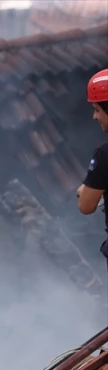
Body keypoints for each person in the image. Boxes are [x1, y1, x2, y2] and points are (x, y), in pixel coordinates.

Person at [77, 68, 108, 269]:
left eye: (97, 110)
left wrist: (83, 190)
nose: (95, 116)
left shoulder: (104, 154)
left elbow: (86, 206)